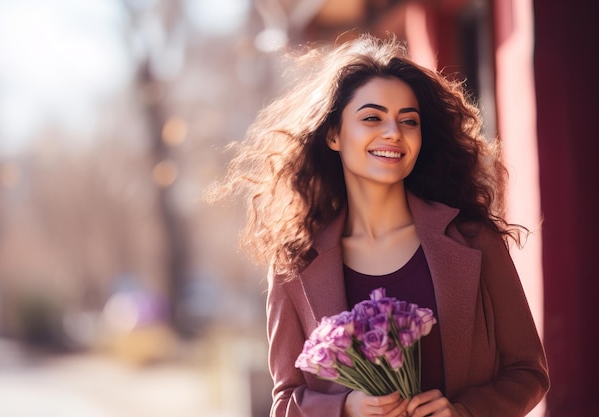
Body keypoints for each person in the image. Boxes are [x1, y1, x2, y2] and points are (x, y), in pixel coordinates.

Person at [207, 34, 549, 417]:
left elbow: (528, 372)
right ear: (334, 134)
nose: (393, 132)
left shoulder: (471, 239)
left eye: (409, 121)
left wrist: (466, 412)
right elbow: (285, 399)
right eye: (372, 117)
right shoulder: (296, 262)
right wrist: (346, 408)